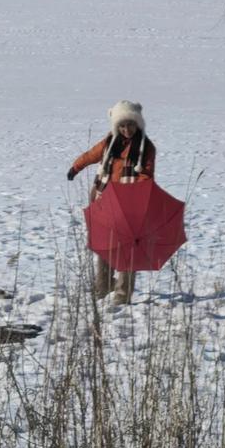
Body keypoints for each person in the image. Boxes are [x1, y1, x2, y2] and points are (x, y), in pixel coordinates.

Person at [66, 100, 156, 305]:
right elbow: (91, 155)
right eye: (122, 125)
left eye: (131, 124)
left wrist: (133, 195)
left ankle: (122, 295)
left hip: (130, 205)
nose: (126, 130)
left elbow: (146, 175)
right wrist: (75, 167)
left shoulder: (146, 147)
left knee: (127, 250)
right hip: (104, 200)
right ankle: (103, 286)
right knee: (104, 246)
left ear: (138, 124)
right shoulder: (110, 142)